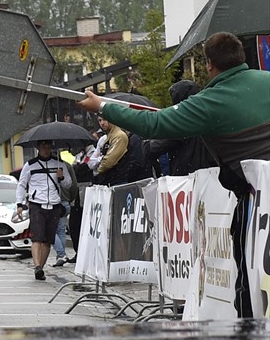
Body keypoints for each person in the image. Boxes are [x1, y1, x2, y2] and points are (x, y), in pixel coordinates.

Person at [77, 32, 270, 318]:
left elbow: (153, 124)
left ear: (209, 64)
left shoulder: (208, 103)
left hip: (256, 206)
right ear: (241, 56)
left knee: (251, 285)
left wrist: (103, 106)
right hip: (256, 196)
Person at [16, 140, 72, 280]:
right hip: (37, 205)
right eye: (43, 147)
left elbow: (68, 184)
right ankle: (37, 267)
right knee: (37, 238)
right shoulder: (30, 165)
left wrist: (61, 177)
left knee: (48, 240)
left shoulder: (60, 164)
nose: (46, 149)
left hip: (54, 204)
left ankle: (41, 267)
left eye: (48, 146)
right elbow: (21, 185)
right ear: (38, 148)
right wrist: (20, 203)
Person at [146, 80, 217, 176]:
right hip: (211, 174)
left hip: (186, 178)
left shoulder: (180, 121)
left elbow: (153, 148)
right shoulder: (208, 116)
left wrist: (144, 143)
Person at [52, 160, 78, 267]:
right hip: (65, 202)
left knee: (50, 230)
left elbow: (71, 184)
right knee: (61, 231)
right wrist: (70, 199)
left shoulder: (51, 165)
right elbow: (74, 185)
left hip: (56, 203)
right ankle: (61, 257)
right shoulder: (67, 165)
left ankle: (61, 254)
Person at [93, 114, 129, 186]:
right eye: (100, 120)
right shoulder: (109, 136)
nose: (102, 123)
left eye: (105, 119)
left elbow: (109, 161)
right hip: (111, 180)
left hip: (117, 180)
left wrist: (97, 171)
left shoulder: (119, 135)